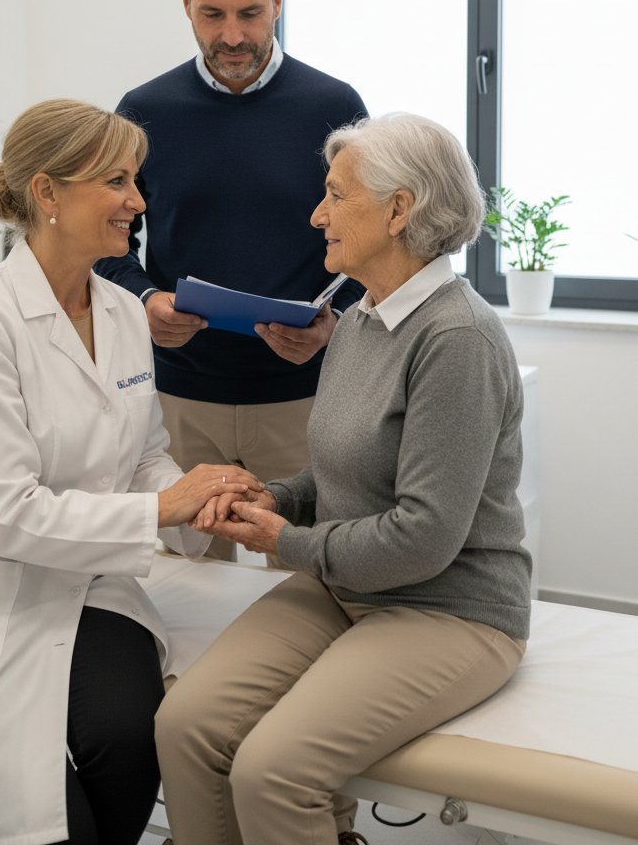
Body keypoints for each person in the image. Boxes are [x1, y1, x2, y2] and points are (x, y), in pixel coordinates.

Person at [0, 99, 262, 845]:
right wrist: (163, 511)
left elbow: (145, 453)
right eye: (116, 181)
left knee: (128, 740)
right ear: (48, 194)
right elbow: (7, 516)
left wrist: (199, 500)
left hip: (89, 585)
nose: (138, 202)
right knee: (42, 825)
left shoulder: (121, 312)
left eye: (136, 180)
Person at [156, 112, 532, 845]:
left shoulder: (455, 338)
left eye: (336, 195)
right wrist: (276, 496)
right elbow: (339, 474)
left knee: (274, 769)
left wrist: (283, 540)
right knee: (185, 727)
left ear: (399, 210)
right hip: (346, 587)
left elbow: (422, 537)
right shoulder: (361, 316)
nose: (316, 214)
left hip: (447, 606)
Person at [96, 0, 367, 560]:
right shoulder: (142, 110)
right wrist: (143, 301)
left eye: (250, 12)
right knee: (183, 584)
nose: (232, 35)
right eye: (212, 13)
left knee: (306, 586)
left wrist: (333, 326)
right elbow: (109, 242)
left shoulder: (334, 104)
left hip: (305, 399)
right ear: (185, 1)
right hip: (179, 400)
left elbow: (374, 244)